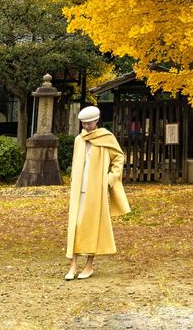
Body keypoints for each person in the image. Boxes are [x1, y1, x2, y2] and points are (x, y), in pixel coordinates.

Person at [65, 104, 130, 280]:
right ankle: (72, 265)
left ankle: (89, 265)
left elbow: (119, 157)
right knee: (75, 226)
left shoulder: (106, 137)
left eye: (89, 123)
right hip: (78, 189)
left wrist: (110, 179)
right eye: (83, 124)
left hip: (96, 190)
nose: (86, 127)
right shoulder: (79, 139)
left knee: (92, 226)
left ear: (96, 121)